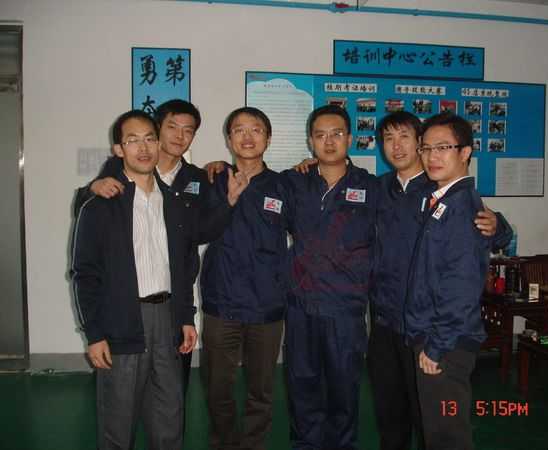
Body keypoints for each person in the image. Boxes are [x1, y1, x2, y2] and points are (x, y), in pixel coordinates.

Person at [295, 111, 511, 450]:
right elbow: (340, 180)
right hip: (384, 321)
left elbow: (477, 231)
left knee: (430, 419)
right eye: (388, 139)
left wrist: (499, 226)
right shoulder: (378, 188)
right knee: (390, 416)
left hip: (423, 325)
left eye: (405, 137)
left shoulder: (439, 188)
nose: (396, 146)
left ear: (419, 143)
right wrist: (313, 166)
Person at [71, 109, 243, 450]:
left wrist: (186, 316)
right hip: (121, 321)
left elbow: (182, 264)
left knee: (169, 415)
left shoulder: (175, 203)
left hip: (167, 318)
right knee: (118, 421)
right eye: (133, 140)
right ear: (119, 149)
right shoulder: (101, 205)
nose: (144, 147)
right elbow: (85, 274)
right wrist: (94, 334)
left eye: (149, 138)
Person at [282, 105, 378, 450]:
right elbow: (253, 188)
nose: (329, 141)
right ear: (311, 141)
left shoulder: (372, 187)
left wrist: (496, 225)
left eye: (336, 134)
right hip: (301, 306)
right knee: (302, 386)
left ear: (350, 138)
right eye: (320, 135)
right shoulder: (295, 182)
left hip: (345, 309)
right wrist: (217, 169)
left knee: (343, 388)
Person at [200, 107, 289, 450]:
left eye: (256, 130)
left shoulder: (285, 185)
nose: (248, 137)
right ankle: (224, 443)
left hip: (267, 306)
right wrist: (228, 200)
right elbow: (199, 231)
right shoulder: (212, 179)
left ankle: (253, 445)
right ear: (229, 139)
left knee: (261, 390)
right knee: (217, 387)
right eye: (239, 130)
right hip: (222, 303)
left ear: (268, 138)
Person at [404, 111, 491, 450]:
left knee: (446, 434)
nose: (432, 156)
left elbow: (461, 287)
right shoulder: (443, 199)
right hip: (437, 334)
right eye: (426, 148)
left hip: (446, 342)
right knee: (439, 427)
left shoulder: (460, 209)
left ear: (465, 152)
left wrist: (437, 346)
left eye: (443, 147)